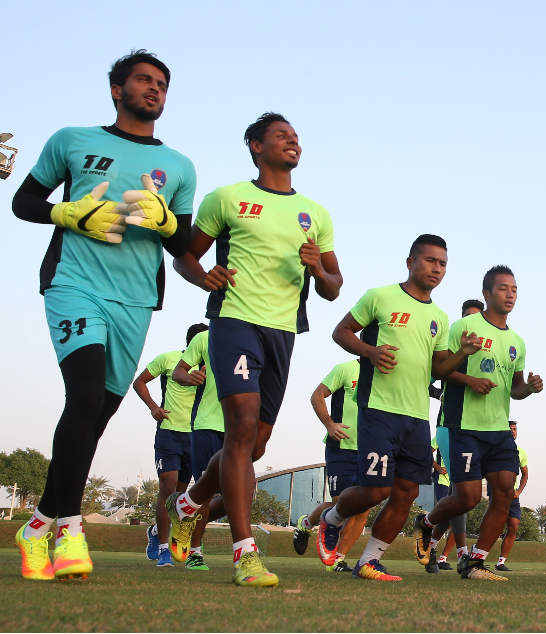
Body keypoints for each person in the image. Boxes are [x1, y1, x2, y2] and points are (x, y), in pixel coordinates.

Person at [12, 50, 196, 582]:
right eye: (143, 80)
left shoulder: (179, 166)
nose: (154, 89)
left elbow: (183, 241)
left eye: (161, 83)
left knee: (96, 419)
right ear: (117, 89)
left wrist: (165, 222)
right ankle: (70, 527)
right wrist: (63, 212)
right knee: (85, 396)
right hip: (74, 285)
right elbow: (24, 201)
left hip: (136, 300)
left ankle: (42, 522)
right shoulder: (72, 139)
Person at [166, 113, 342, 587]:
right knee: (241, 427)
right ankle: (245, 554)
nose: (293, 143)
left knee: (252, 444)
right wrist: (202, 275)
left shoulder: (315, 213)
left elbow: (333, 287)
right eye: (282, 136)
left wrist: (317, 270)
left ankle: (189, 502)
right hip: (235, 321)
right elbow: (186, 252)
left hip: (283, 332)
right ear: (254, 145)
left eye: (297, 138)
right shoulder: (228, 198)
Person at [316, 235, 480, 581]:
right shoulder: (380, 296)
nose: (437, 269)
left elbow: (437, 369)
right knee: (376, 490)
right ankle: (330, 519)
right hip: (378, 408)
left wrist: (462, 354)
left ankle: (369, 561)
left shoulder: (438, 317)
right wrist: (369, 351)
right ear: (410, 262)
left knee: (405, 493)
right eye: (430, 260)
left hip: (417, 416)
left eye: (443, 263)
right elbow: (340, 332)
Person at [414, 265, 543, 582]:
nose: (510, 294)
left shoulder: (517, 342)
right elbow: (439, 369)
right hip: (463, 426)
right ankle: (426, 524)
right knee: (468, 498)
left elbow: (515, 388)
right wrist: (469, 380)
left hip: (498, 430)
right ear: (487, 294)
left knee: (504, 495)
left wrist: (528, 388)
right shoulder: (463, 327)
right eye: (502, 288)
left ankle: (474, 563)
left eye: (514, 289)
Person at [131, 323, 208, 567]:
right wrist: (154, 407)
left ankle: (156, 530)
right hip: (169, 433)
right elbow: (140, 382)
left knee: (180, 498)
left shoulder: (214, 366)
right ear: (194, 343)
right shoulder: (169, 359)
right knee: (168, 487)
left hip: (195, 436)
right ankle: (164, 548)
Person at [292, 359, 370, 573]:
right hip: (341, 447)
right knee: (342, 506)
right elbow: (317, 395)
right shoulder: (345, 369)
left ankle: (338, 559)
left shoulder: (385, 372)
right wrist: (329, 424)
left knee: (364, 507)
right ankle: (306, 524)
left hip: (370, 447)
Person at [427, 298, 482, 572]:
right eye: (467, 319)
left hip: (481, 428)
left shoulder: (488, 351)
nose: (471, 325)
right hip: (452, 425)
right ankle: (462, 554)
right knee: (461, 493)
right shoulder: (449, 348)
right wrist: (443, 393)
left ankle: (429, 542)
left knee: (463, 496)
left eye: (477, 319)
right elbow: (432, 377)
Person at [171, 327, 225, 571]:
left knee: (239, 493)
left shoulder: (253, 336)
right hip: (207, 423)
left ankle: (184, 510)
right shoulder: (204, 338)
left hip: (238, 426)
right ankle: (195, 552)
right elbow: (178, 372)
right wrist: (189, 377)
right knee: (205, 489)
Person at [495, 420, 529, 571]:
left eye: (515, 429)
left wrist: (519, 491)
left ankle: (501, 562)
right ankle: (477, 554)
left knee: (514, 526)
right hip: (498, 493)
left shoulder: (521, 452)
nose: (513, 432)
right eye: (510, 429)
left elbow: (525, 474)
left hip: (513, 497)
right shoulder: (496, 449)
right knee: (494, 526)